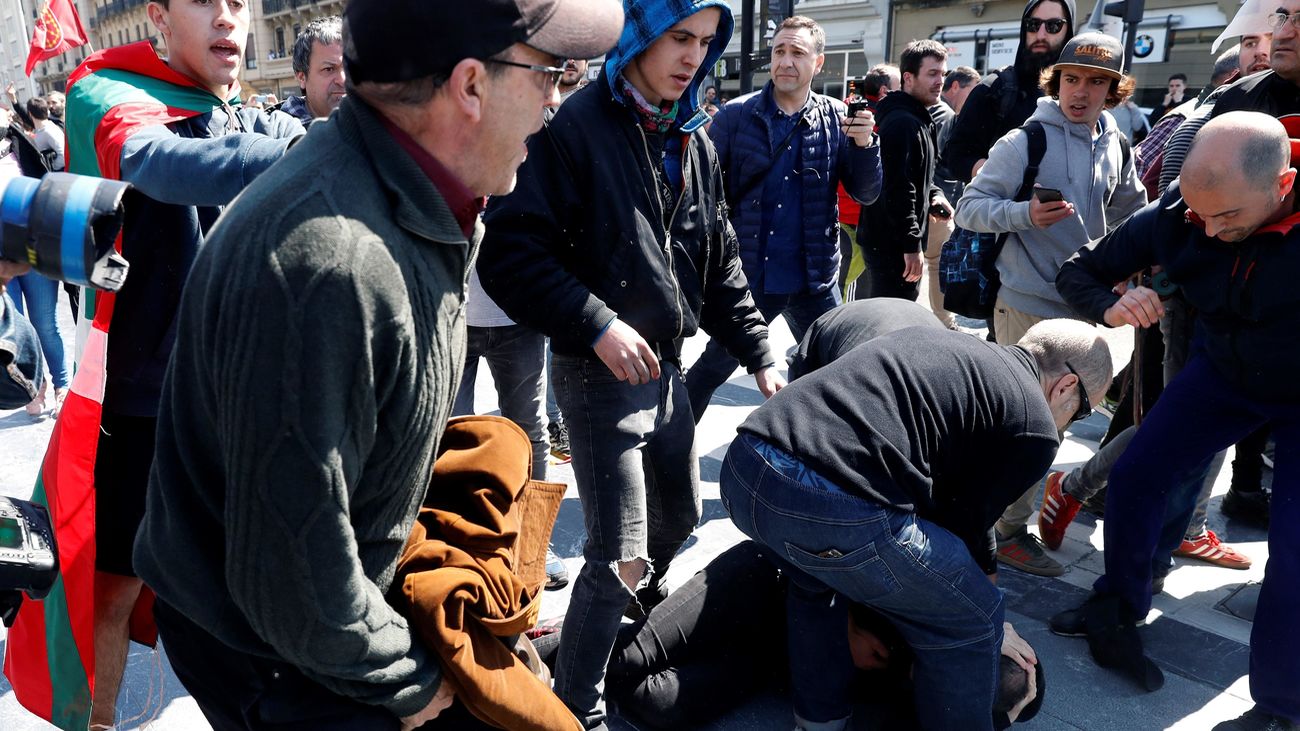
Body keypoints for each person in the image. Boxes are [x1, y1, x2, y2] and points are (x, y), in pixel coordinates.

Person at [130, 2, 623, 731]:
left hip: (323, 606)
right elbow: (293, 582)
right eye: (550, 75)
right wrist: (410, 679)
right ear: (469, 85)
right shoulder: (331, 265)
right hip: (279, 652)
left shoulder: (415, 192)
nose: (554, 102)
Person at [476, 0, 783, 725]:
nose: (692, 56)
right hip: (596, 372)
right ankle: (574, 710)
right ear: (640, 33)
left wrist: (760, 352)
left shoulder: (694, 135)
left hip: (668, 368)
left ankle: (613, 639)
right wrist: (598, 324)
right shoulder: (571, 127)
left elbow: (720, 261)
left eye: (705, 42)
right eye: (679, 37)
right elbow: (511, 252)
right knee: (619, 555)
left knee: (680, 519)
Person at [36, 1, 308, 727]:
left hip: (241, 398)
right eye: (203, 1)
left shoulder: (244, 109)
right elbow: (162, 164)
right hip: (144, 404)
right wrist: (318, 157)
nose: (227, 18)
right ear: (156, 14)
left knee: (257, 587)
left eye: (239, 2)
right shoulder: (107, 89)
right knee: (115, 589)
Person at [721, 318, 1110, 730]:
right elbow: (960, 529)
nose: (1069, 423)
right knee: (974, 619)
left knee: (815, 583)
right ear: (1066, 385)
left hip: (745, 468)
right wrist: (995, 626)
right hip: (827, 505)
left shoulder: (947, 346)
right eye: (1083, 411)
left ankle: (820, 723)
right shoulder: (1036, 426)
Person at [1053, 111, 1299, 731]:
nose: (1210, 232)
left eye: (1227, 217)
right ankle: (1117, 603)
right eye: (1199, 214)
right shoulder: (1177, 214)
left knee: (1293, 552)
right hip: (1223, 372)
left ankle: (1280, 706)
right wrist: (1112, 305)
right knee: (1136, 477)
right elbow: (1078, 270)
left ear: (1283, 185)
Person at [954, 32, 1146, 576]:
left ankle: (999, 519)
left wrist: (1130, 261)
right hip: (1026, 304)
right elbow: (970, 207)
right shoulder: (1025, 140)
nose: (1081, 91)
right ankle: (1005, 531)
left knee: (1047, 427)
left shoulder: (1115, 139)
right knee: (1028, 428)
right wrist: (1024, 216)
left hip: (1084, 307)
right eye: (1071, 79)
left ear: (1113, 90)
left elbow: (1131, 210)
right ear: (1055, 81)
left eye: (1096, 82)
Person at [531, 540, 1043, 730]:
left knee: (661, 707)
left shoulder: (932, 705)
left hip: (770, 656)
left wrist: (1007, 713)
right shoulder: (936, 612)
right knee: (628, 658)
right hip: (762, 583)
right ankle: (524, 650)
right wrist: (992, 620)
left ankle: (589, 641)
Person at [683, 14, 881, 419]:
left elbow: (866, 192)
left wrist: (864, 146)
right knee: (712, 368)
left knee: (835, 372)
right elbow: (703, 195)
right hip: (750, 276)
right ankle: (671, 445)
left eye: (797, 52)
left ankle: (810, 444)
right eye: (779, 51)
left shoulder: (836, 117)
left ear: (818, 63)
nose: (785, 61)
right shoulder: (735, 116)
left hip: (814, 278)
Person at [943, 0, 1077, 185]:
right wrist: (1006, 180)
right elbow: (957, 157)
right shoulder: (995, 89)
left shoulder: (1081, 92)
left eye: (1053, 25)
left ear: (1068, 30)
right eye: (1033, 24)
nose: (1040, 34)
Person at [858, 39, 949, 301]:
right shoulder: (902, 122)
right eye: (932, 74)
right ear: (908, 78)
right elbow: (898, 188)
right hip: (891, 244)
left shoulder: (917, 117)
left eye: (943, 74)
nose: (940, 81)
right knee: (891, 316)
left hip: (895, 241)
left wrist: (934, 196)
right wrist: (911, 245)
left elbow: (919, 176)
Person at [924, 65, 981, 328]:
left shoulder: (936, 111)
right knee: (936, 264)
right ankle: (944, 324)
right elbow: (934, 162)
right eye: (973, 90)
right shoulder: (945, 114)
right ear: (956, 86)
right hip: (937, 202)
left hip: (933, 199)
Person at [838, 63, 899, 300]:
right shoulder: (881, 119)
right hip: (855, 217)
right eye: (899, 86)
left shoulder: (846, 110)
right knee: (851, 285)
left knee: (851, 282)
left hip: (851, 213)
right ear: (884, 90)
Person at [276, 16, 345, 128]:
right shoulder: (276, 133)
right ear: (302, 78)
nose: (342, 80)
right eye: (329, 69)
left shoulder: (370, 128)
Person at [26, 97, 65, 171]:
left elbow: (63, 156)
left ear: (30, 114)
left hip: (54, 175)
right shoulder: (39, 130)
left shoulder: (49, 130)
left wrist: (50, 168)